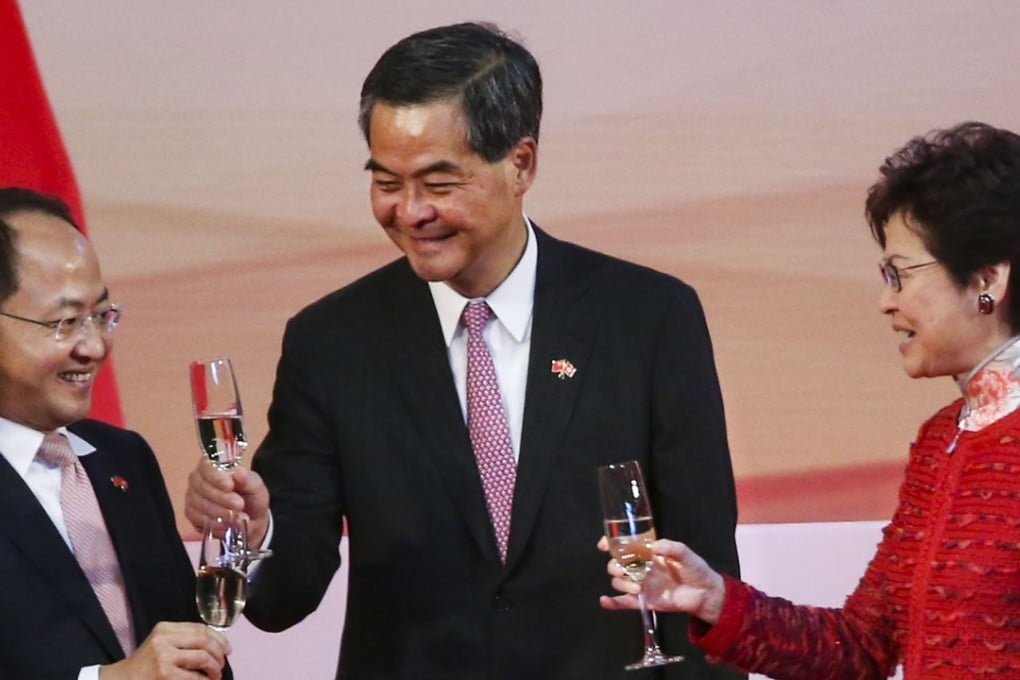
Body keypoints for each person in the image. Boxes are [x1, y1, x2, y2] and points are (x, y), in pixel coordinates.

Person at [185, 21, 742, 679]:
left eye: (439, 182)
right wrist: (253, 534)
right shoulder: (332, 343)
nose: (410, 211)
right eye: (387, 182)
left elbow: (704, 571)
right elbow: (283, 597)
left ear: (521, 163)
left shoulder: (647, 317)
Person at [601, 121, 1020, 679]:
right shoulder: (943, 438)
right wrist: (713, 599)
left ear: (987, 278)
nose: (885, 302)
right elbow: (860, 645)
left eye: (899, 274)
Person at [0, 187, 231, 680]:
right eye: (64, 322)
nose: (94, 345)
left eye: (101, 315)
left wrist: (236, 541)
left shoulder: (122, 459)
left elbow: (190, 652)